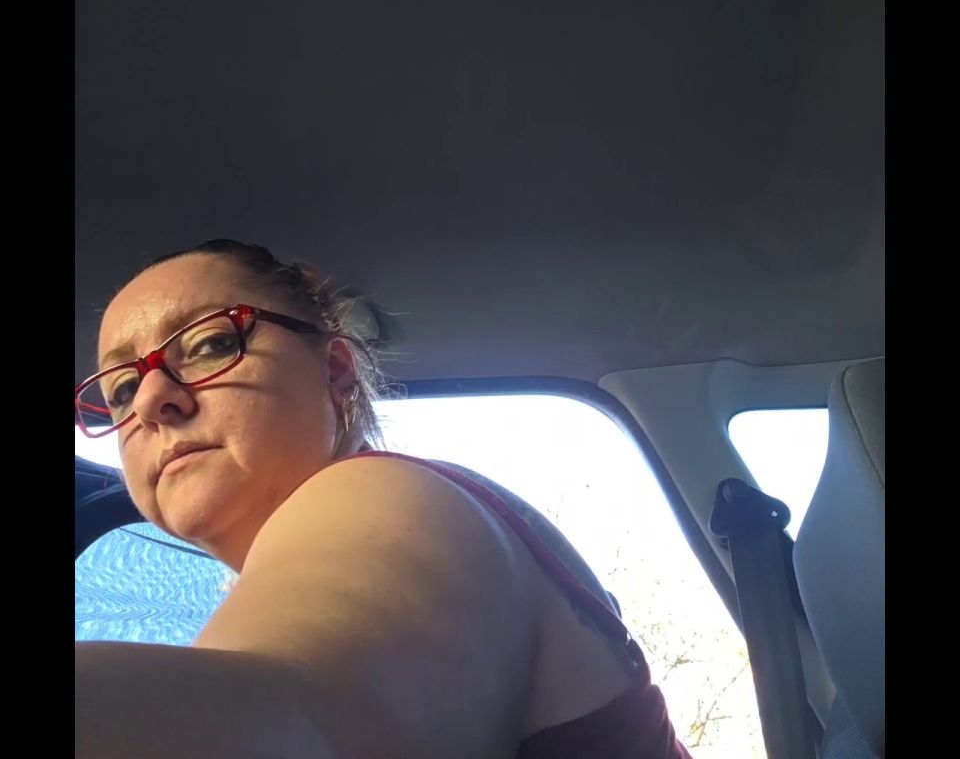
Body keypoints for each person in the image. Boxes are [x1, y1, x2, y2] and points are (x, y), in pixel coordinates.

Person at [75, 238, 691, 758]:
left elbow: (293, 719)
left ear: (335, 370)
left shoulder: (386, 494)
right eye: (122, 388)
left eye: (211, 343)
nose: (150, 400)